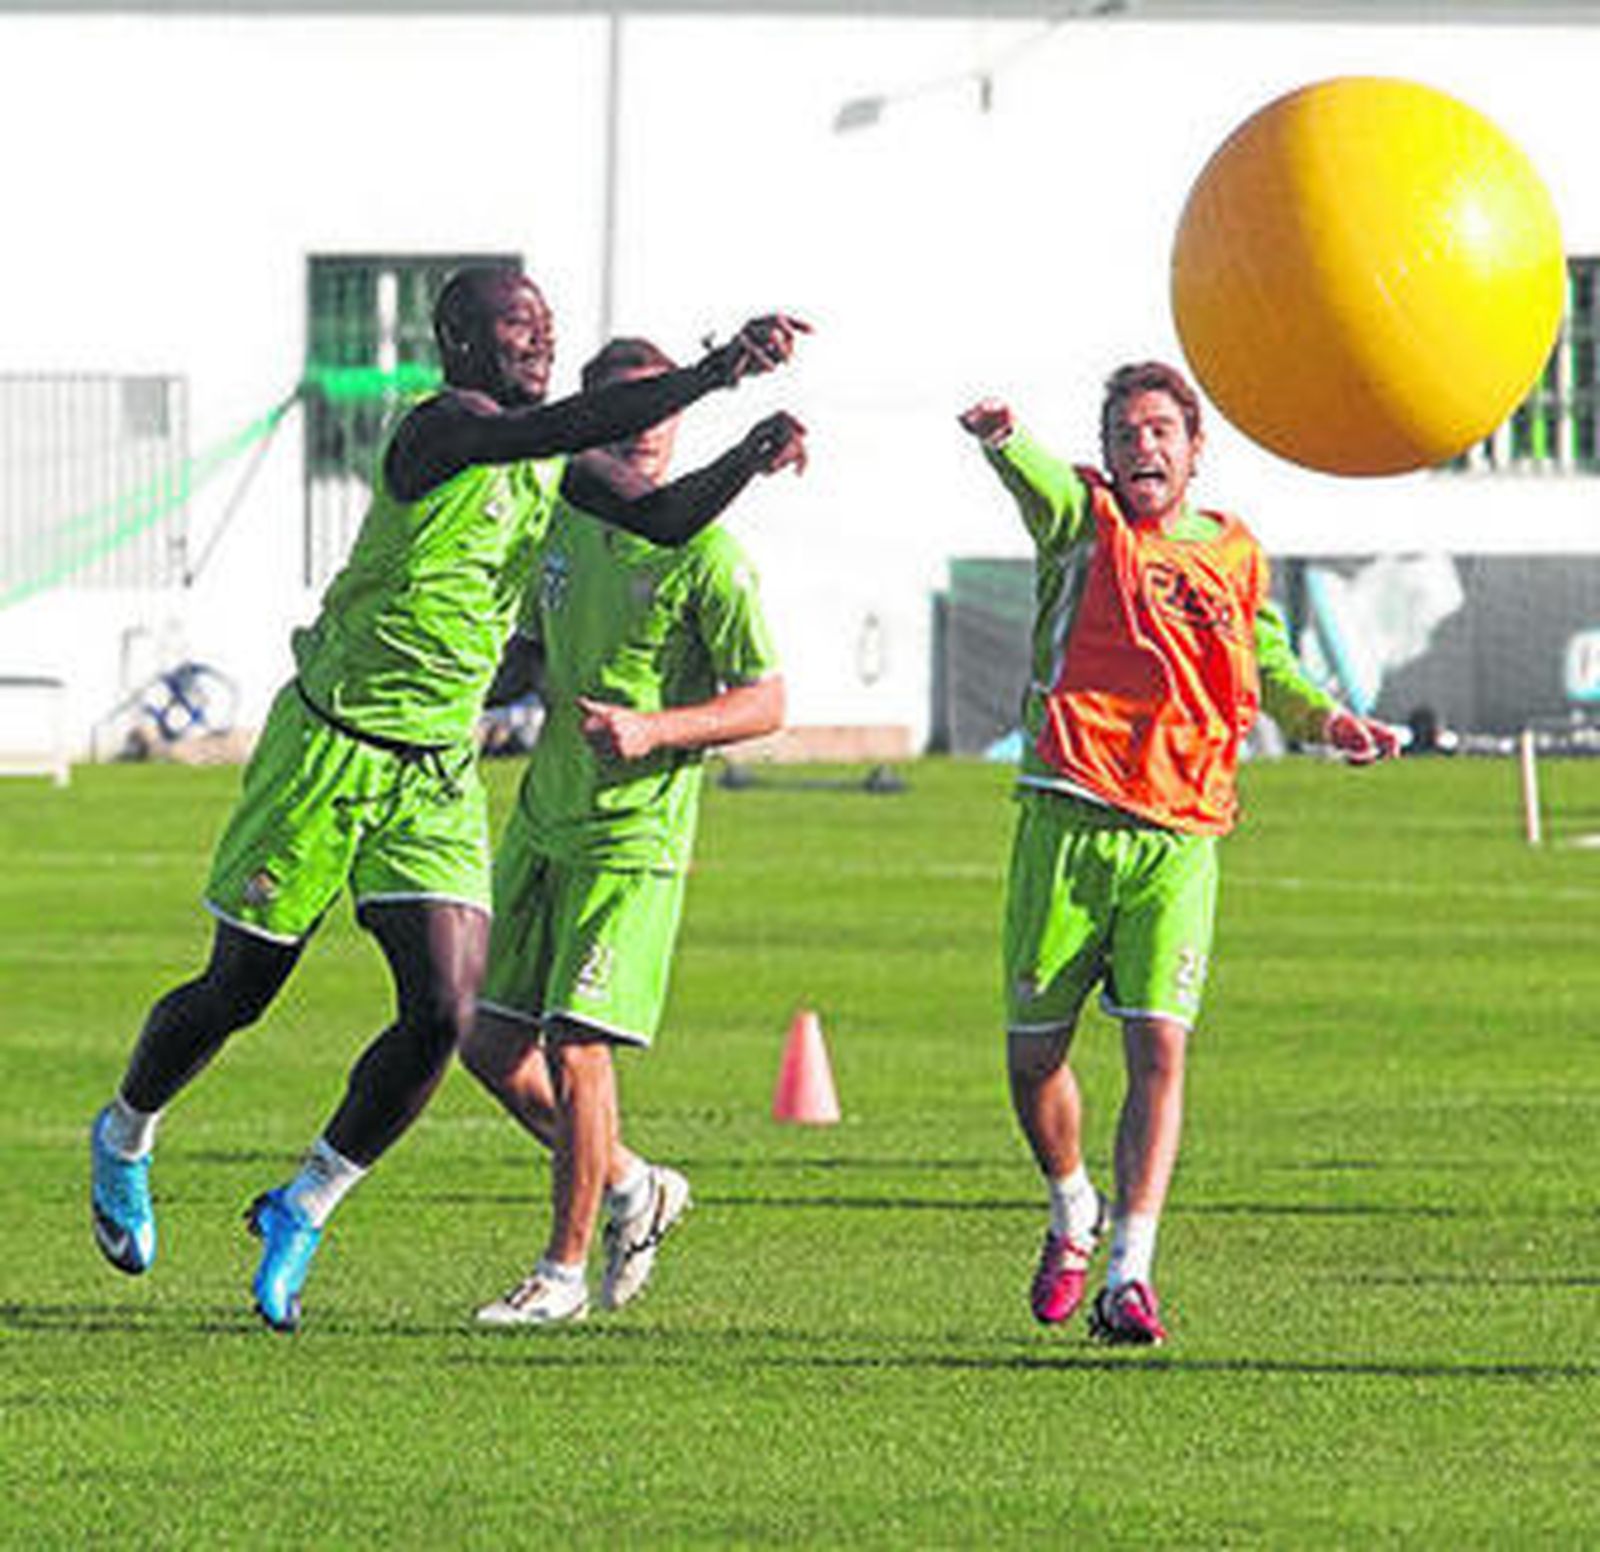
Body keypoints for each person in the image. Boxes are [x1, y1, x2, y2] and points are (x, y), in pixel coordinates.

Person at [88, 263, 807, 1332]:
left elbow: (659, 519)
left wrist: (748, 455)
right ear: (457, 341)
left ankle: (304, 1203)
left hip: (432, 770)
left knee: (444, 1013)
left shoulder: (547, 455)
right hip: (327, 753)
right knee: (238, 991)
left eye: (546, 327)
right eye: (516, 326)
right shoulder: (443, 430)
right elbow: (571, 422)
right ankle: (125, 1130)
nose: (536, 340)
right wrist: (713, 372)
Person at [958, 362, 1399, 1346]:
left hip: (1180, 835)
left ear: (1196, 449)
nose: (1141, 447)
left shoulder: (1236, 555)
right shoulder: (1084, 522)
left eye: (1160, 430)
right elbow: (1038, 478)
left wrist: (1328, 720)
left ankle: (1130, 1272)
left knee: (1159, 1045)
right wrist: (1001, 438)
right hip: (1066, 822)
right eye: (1124, 433)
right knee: (1034, 1063)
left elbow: (1269, 668)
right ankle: (1073, 1203)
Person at [460, 335, 793, 1326]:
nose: (648, 429)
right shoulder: (560, 517)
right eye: (626, 411)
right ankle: (631, 1185)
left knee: (578, 1049)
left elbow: (766, 700)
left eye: (662, 410)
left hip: (630, 839)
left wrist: (656, 728)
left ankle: (560, 1275)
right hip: (541, 822)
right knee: (485, 1045)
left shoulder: (709, 553)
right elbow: (527, 651)